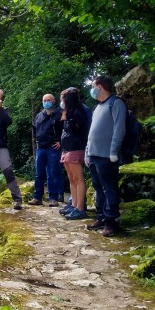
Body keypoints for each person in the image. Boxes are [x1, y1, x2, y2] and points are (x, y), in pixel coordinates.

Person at [85, 76, 126, 237]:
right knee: (97, 187)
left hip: (107, 156)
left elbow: (119, 129)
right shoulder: (97, 107)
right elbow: (91, 133)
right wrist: (88, 152)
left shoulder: (116, 103)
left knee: (109, 188)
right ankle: (101, 217)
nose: (92, 89)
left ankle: (111, 221)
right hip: (94, 155)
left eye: (94, 86)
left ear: (100, 86)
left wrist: (114, 152)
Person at [28, 93, 63, 207]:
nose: (46, 102)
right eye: (44, 100)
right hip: (41, 148)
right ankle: (37, 197)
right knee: (39, 173)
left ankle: (53, 198)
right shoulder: (39, 116)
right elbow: (34, 130)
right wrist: (36, 141)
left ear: (53, 101)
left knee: (53, 172)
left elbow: (66, 129)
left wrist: (61, 142)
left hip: (53, 147)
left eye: (48, 100)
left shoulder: (59, 114)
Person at [58, 87, 89, 220]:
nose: (61, 102)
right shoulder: (69, 113)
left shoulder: (78, 113)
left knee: (78, 178)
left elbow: (83, 131)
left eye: (62, 99)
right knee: (71, 178)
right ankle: (74, 204)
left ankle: (80, 208)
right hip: (67, 149)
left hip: (75, 148)